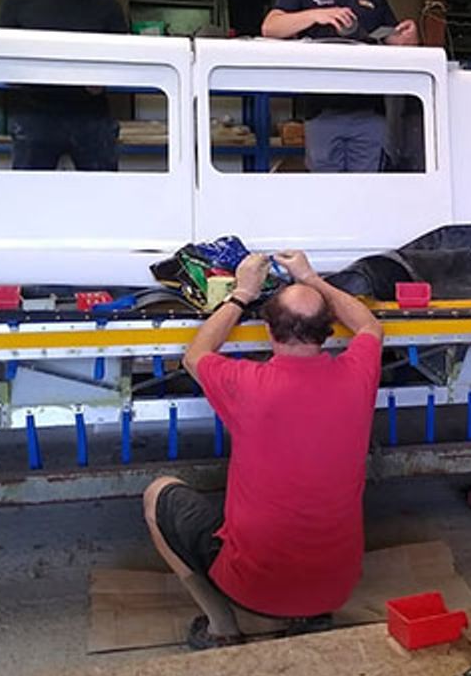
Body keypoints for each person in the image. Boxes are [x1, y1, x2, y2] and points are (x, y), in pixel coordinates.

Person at [142, 250, 383, 649]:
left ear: (269, 332)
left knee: (157, 494)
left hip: (251, 589)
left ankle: (221, 625)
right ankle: (310, 616)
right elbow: (369, 326)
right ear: (327, 330)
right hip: (336, 589)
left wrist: (241, 293)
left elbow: (195, 355)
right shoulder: (358, 374)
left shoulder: (246, 384)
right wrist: (312, 278)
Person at [261, 0, 420, 173]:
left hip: (370, 115)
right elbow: (270, 27)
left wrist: (409, 38)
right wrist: (316, 15)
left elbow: (398, 45)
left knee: (366, 196)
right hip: (322, 113)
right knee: (326, 197)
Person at [0, 0, 128, 170]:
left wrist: (103, 80)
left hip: (90, 115)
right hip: (36, 115)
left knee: (105, 197)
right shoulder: (18, 1)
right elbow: (3, 60)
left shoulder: (105, 4)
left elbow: (124, 59)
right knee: (30, 196)